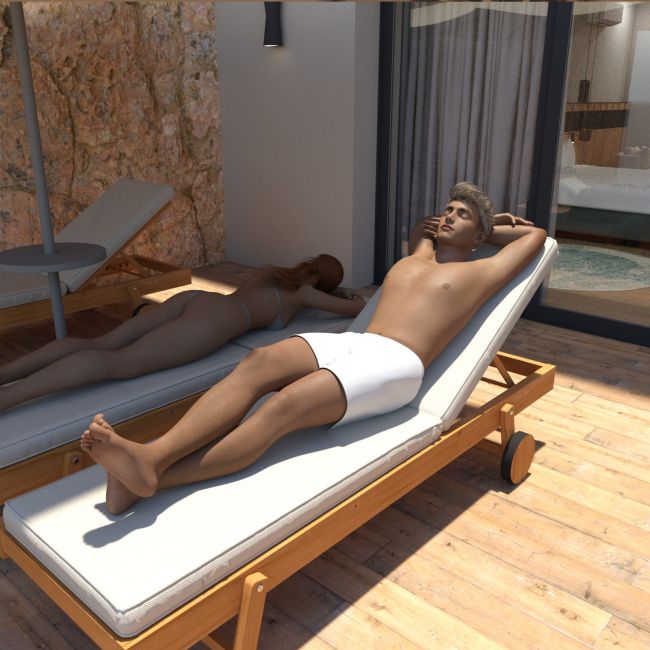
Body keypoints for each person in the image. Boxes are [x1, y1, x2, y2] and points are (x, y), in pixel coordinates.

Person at [81, 181, 544, 515]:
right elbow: (426, 229)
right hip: (357, 343)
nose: (448, 216)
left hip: (397, 364)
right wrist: (461, 221)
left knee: (283, 406)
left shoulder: (481, 273)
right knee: (258, 362)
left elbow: (536, 237)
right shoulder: (416, 256)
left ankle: (153, 477)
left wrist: (494, 224)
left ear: (480, 238)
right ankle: (150, 459)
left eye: (462, 215)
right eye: (447, 209)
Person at [0, 254, 365, 411]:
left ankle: (6, 376)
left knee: (100, 343)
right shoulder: (305, 294)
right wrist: (343, 293)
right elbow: (357, 308)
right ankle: (8, 398)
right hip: (217, 322)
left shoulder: (272, 273)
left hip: (199, 299)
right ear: (326, 282)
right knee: (120, 363)